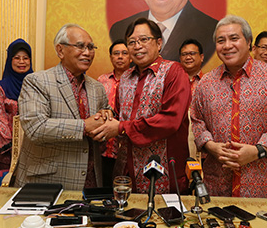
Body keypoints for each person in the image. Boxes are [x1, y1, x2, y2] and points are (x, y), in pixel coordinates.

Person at [191, 15, 267, 198]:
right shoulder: (206, 83)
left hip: (262, 185)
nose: (227, 46)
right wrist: (210, 146)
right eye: (220, 40)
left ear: (249, 42)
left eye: (234, 38)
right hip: (217, 185)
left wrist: (258, 150)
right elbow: (197, 120)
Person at [93, 18, 191, 194]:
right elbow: (119, 114)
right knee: (126, 218)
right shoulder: (125, 78)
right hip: (126, 169)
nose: (137, 46)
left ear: (159, 43)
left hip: (162, 170)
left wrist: (121, 127)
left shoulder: (174, 72)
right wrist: (107, 116)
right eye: (132, 42)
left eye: (144, 40)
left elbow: (170, 120)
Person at [15, 24, 110, 190]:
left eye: (90, 47)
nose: (87, 53)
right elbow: (36, 127)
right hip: (47, 184)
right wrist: (84, 126)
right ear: (60, 50)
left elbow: (105, 122)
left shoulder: (97, 87)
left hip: (91, 183)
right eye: (80, 46)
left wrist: (106, 119)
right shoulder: (37, 81)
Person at [0, 39, 33, 176]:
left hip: (35, 148)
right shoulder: (1, 87)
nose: (22, 62)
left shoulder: (38, 84)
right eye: (17, 58)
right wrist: (13, 146)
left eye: (25, 58)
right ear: (10, 60)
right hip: (9, 153)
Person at [97, 40, 131, 186]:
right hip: (102, 147)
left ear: (131, 57)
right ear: (111, 57)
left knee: (123, 188)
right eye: (116, 53)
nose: (120, 57)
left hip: (125, 147)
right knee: (102, 187)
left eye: (124, 53)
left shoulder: (136, 81)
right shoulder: (101, 81)